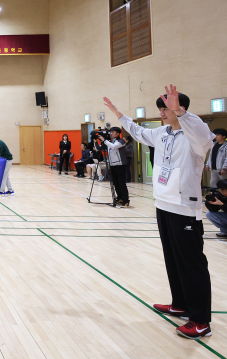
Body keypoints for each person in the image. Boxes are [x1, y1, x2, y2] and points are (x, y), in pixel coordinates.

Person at [104, 84, 215, 339]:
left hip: (184, 207)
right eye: (161, 108)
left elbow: (203, 134)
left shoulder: (195, 137)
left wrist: (183, 114)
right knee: (173, 258)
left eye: (166, 108)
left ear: (181, 109)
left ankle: (200, 320)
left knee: (191, 263)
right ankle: (181, 304)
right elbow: (138, 131)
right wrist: (119, 114)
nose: (162, 112)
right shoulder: (162, 133)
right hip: (162, 204)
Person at [97, 127, 129, 207]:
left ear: (118, 133)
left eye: (113, 132)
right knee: (115, 183)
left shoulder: (121, 141)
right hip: (112, 165)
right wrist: (96, 141)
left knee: (122, 183)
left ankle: (126, 200)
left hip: (120, 165)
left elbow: (114, 146)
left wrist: (104, 140)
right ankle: (120, 198)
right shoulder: (109, 142)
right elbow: (100, 149)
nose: (111, 133)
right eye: (110, 132)